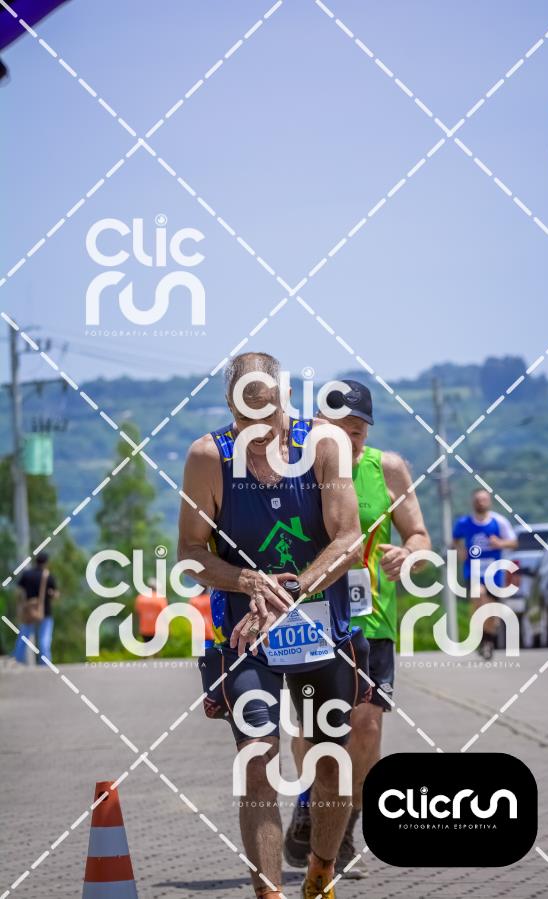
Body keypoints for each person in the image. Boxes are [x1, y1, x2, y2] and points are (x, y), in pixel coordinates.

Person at [178, 352, 365, 899]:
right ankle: (269, 894)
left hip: (319, 626)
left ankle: (321, 870)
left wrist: (291, 590)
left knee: (329, 762)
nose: (258, 433)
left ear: (285, 398)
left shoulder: (323, 445)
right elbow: (190, 553)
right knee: (257, 758)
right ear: (229, 408)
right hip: (245, 633)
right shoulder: (208, 457)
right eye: (245, 420)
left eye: (268, 416)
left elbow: (349, 540)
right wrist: (246, 580)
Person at [284, 380, 431, 879]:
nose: (350, 440)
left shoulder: (386, 468)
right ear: (317, 427)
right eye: (340, 430)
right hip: (313, 619)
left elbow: (419, 534)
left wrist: (408, 554)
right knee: (312, 728)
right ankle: (311, 798)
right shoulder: (295, 469)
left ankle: (342, 829)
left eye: (359, 431)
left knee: (365, 729)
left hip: (372, 617)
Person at [452, 488, 518, 659]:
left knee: (491, 612)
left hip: (494, 572)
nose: (480, 503)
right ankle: (479, 636)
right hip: (473, 570)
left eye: (483, 500)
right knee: (479, 597)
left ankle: (487, 640)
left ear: (489, 502)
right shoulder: (464, 522)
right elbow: (455, 539)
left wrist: (500, 544)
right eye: (477, 500)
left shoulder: (499, 522)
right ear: (473, 502)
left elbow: (513, 542)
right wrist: (460, 550)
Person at [14, 552, 59, 665]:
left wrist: (22, 604)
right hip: (45, 611)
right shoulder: (47, 576)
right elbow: (55, 595)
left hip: (29, 610)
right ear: (46, 562)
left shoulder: (27, 575)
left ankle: (17, 661)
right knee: (44, 639)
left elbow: (18, 592)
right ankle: (45, 663)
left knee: (23, 637)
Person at [134, 577, 167, 642]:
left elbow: (137, 614)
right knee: (156, 647)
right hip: (158, 630)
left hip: (144, 630)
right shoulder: (161, 599)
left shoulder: (140, 598)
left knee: (147, 647)